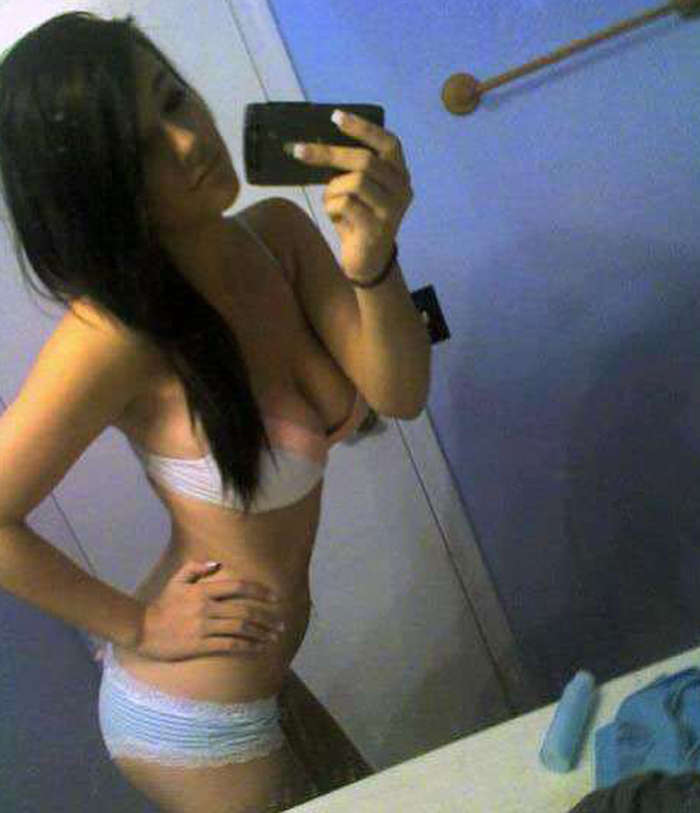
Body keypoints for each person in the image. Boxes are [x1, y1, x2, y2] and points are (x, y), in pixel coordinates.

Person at [0, 11, 430, 813]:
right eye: (139, 148)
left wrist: (375, 262)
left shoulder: (278, 235)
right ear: (93, 188)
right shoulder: (112, 336)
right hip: (192, 720)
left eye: (173, 100)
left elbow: (400, 393)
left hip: (263, 677)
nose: (189, 141)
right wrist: (138, 624)